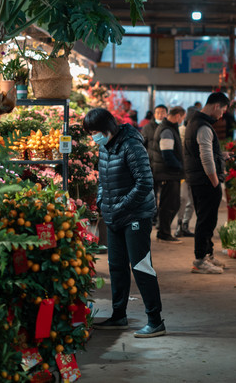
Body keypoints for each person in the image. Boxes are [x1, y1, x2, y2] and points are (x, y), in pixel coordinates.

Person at [82, 108, 166, 338]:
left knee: (140, 266)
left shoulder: (131, 145)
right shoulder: (104, 147)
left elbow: (145, 182)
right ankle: (119, 315)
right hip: (114, 216)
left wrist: (121, 206)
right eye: (91, 133)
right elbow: (103, 180)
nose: (94, 137)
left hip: (135, 216)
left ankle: (155, 320)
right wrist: (101, 200)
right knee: (116, 266)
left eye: (96, 131)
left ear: (108, 127)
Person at [184, 91, 230, 274]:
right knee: (205, 220)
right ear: (216, 106)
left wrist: (221, 156)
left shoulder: (194, 122)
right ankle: (200, 259)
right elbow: (205, 157)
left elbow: (203, 152)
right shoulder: (203, 126)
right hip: (205, 181)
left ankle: (207, 254)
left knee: (208, 220)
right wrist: (215, 181)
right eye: (223, 110)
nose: (222, 115)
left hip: (198, 179)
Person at [149, 106, 187, 243]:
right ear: (178, 116)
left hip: (169, 173)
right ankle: (164, 233)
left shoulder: (169, 128)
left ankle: (163, 231)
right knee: (169, 204)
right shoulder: (166, 130)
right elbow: (167, 154)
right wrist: (180, 166)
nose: (182, 120)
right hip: (168, 173)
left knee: (172, 203)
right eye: (182, 117)